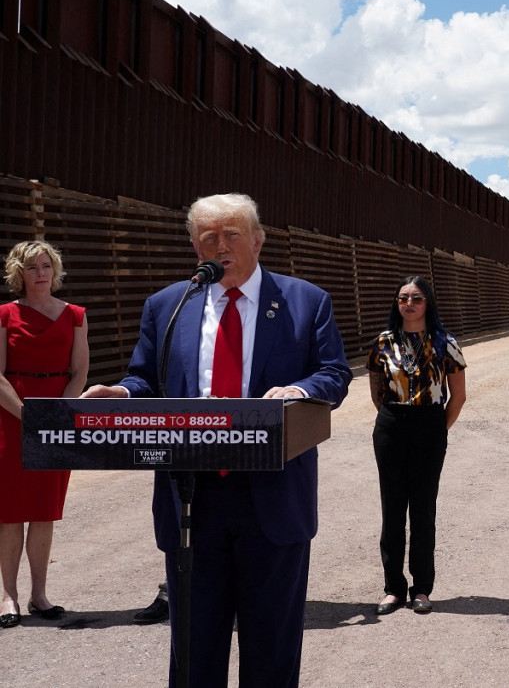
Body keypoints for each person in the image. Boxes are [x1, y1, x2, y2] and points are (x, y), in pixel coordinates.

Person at [82, 193, 351, 687]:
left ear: (258, 240)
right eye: (209, 238)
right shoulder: (167, 305)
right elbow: (146, 379)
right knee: (193, 648)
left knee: (271, 648)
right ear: (194, 247)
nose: (220, 246)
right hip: (191, 498)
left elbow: (334, 373)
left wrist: (301, 389)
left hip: (272, 494)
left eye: (231, 235)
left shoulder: (304, 300)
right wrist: (120, 391)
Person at [0, 240, 88, 628]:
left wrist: (55, 415)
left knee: (43, 511)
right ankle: (8, 596)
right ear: (19, 273)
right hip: (10, 417)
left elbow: (79, 373)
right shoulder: (4, 315)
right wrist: (27, 415)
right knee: (9, 513)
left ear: (55, 271)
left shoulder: (76, 316)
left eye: (46, 266)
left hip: (55, 417)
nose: (40, 273)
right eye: (32, 267)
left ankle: (39, 595)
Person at [367, 276, 466, 617]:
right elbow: (376, 390)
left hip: (430, 426)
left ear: (428, 304)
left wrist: (438, 429)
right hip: (392, 425)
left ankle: (422, 588)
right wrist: (394, 419)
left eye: (417, 298)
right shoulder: (383, 342)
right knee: (392, 510)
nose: (409, 304)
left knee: (422, 510)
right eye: (403, 298)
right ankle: (394, 589)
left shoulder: (444, 341)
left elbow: (459, 395)